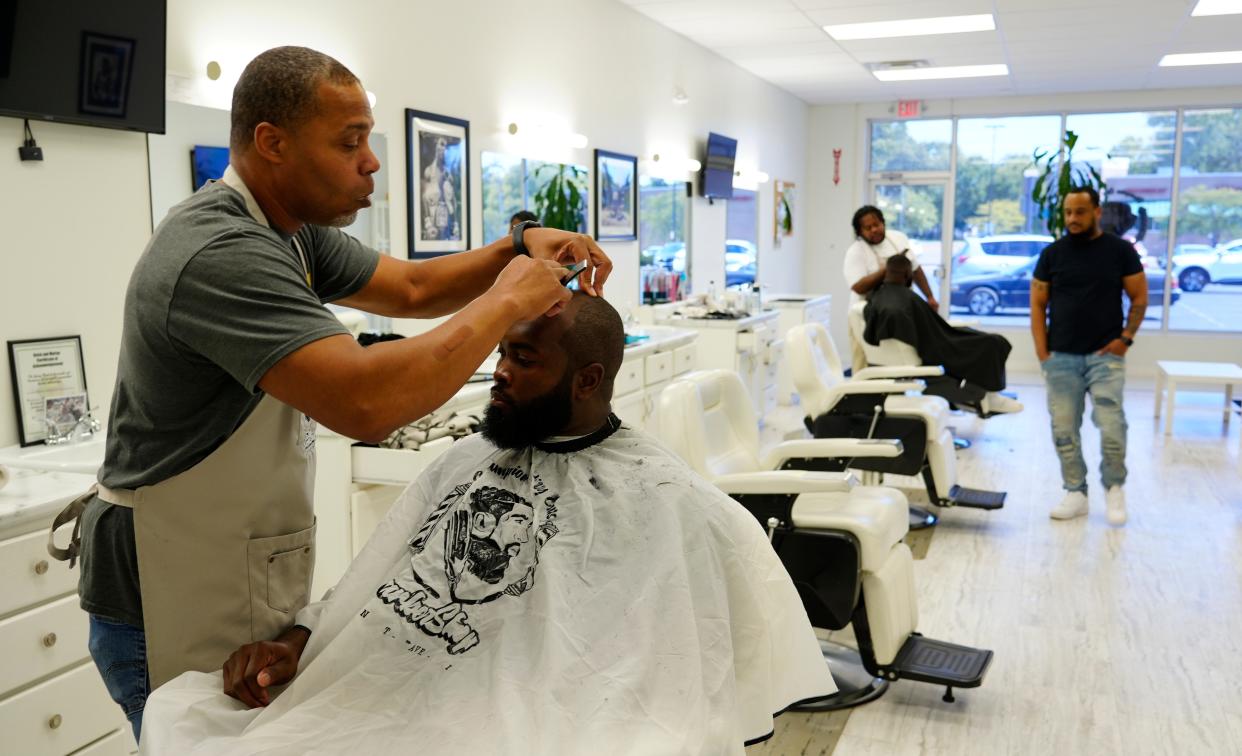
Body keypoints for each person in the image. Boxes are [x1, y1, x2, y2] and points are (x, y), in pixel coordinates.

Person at [48, 45, 613, 741]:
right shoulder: (219, 252)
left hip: (230, 569)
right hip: (163, 593)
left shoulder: (288, 233)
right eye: (350, 142)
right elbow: (363, 403)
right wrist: (504, 303)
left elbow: (413, 288)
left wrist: (518, 245)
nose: (372, 160)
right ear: (272, 143)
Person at [138, 294, 834, 754]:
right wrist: (295, 641)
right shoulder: (466, 459)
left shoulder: (671, 497)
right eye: (501, 353)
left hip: (536, 723)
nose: (497, 374)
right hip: (395, 694)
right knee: (185, 720)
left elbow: (678, 672)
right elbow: (372, 577)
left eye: (522, 360)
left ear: (587, 381)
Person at [1031, 186, 1146, 526]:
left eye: (1080, 212)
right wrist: (1043, 353)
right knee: (1064, 429)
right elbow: (1037, 305)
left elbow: (1139, 298)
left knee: (1112, 426)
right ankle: (1076, 492)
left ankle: (1114, 489)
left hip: (1105, 356)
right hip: (1061, 356)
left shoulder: (1120, 251)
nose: (1072, 219)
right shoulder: (1053, 254)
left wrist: (1125, 340)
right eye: (1068, 212)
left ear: (1097, 211)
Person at [864, 254, 1022, 415]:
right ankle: (990, 394)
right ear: (908, 275)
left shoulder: (878, 297)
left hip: (933, 339)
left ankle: (989, 394)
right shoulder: (903, 300)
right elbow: (929, 329)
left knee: (982, 339)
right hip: (936, 344)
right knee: (993, 342)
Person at [842, 205, 939, 373]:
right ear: (860, 232)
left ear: (883, 223)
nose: (874, 230)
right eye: (868, 228)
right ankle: (863, 396)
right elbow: (858, 286)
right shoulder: (856, 252)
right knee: (865, 363)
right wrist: (889, 269)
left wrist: (929, 297)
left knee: (900, 358)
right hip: (866, 315)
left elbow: (915, 269)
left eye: (877, 224)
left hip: (897, 310)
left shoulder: (898, 239)